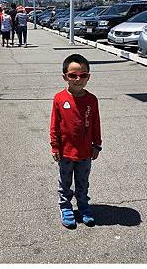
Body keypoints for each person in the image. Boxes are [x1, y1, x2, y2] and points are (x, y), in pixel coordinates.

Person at [50, 54, 102, 229]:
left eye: (83, 75)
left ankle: (83, 206)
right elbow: (54, 125)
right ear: (65, 76)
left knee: (83, 181)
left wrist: (97, 144)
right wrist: (55, 147)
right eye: (73, 75)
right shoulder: (59, 98)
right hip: (65, 151)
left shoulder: (92, 100)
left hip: (85, 152)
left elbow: (96, 123)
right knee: (65, 182)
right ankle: (65, 207)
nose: (78, 79)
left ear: (88, 77)